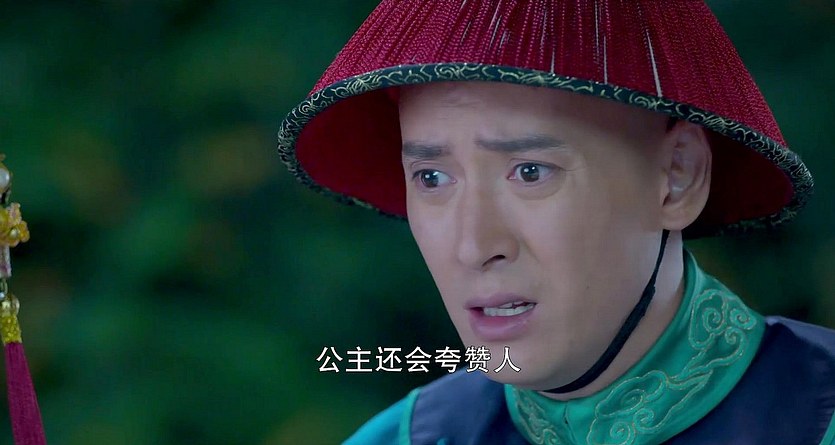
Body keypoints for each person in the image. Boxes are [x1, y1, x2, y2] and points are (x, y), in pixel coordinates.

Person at [277, 1, 835, 444]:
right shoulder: (409, 437)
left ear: (677, 176)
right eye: (431, 177)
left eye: (530, 171)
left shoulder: (818, 416)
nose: (473, 246)